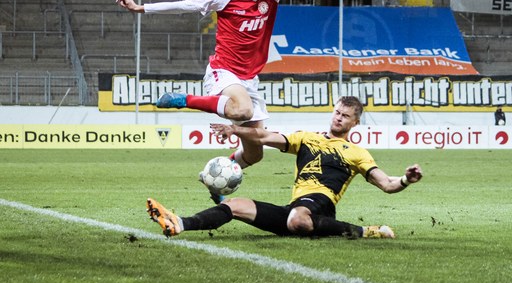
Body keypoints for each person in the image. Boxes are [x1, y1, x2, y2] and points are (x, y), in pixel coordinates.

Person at [116, 0, 320, 181]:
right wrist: (142, 8)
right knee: (243, 110)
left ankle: (212, 178)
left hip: (249, 79)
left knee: (254, 154)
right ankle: (184, 99)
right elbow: (186, 5)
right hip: (223, 71)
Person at [146, 96, 423, 240]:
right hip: (295, 207)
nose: (339, 118)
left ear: (355, 122)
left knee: (298, 219)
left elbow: (387, 184)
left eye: (345, 116)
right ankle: (181, 223)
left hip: (320, 205)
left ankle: (365, 231)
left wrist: (406, 179)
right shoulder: (306, 138)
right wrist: (235, 129)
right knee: (234, 205)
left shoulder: (357, 153)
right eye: (337, 112)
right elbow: (265, 136)